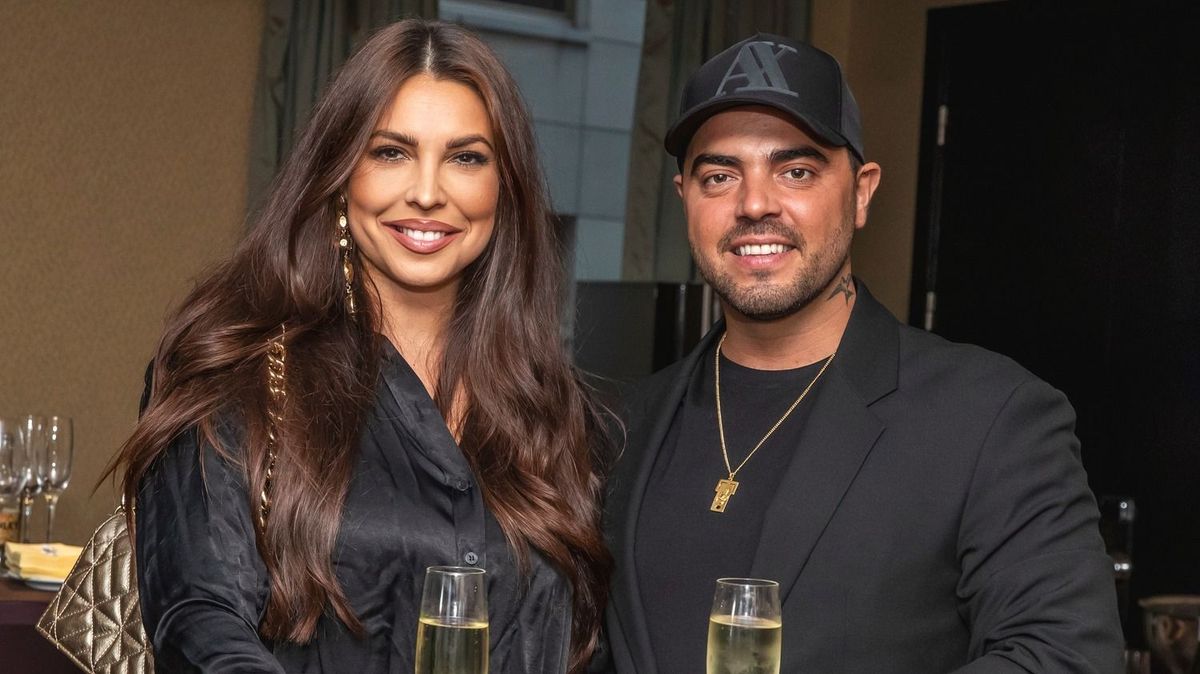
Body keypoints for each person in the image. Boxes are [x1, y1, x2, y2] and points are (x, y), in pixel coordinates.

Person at [602, 33, 1123, 673]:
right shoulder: (619, 425)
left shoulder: (992, 417)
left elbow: (1065, 656)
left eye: (796, 171)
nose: (755, 204)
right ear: (685, 198)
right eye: (720, 176)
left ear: (861, 192)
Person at [108, 19, 610, 673]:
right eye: (391, 152)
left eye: (465, 157)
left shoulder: (558, 414)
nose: (426, 192)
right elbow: (200, 621)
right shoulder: (238, 376)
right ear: (341, 173)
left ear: (505, 188)